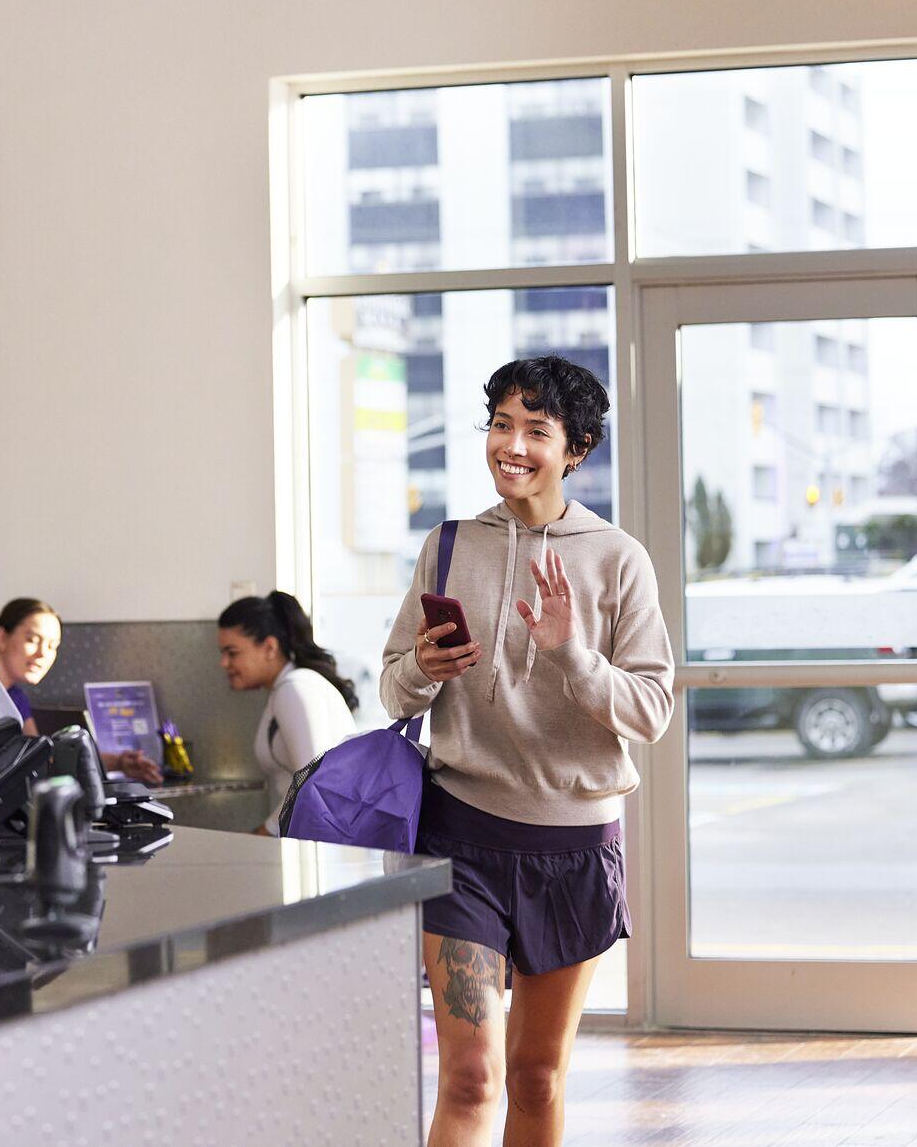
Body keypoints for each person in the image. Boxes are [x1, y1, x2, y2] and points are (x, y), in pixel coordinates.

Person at [379, 355, 673, 1147]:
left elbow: (651, 711)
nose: (511, 445)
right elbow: (393, 691)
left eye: (535, 430)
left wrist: (574, 655)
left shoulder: (617, 558)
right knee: (470, 1075)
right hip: (459, 840)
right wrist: (423, 668)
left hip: (573, 850)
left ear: (576, 448)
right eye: (501, 424)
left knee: (537, 1075)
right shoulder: (448, 546)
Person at [217, 590, 359, 836]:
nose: (224, 663)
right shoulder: (288, 688)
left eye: (233, 653)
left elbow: (312, 780)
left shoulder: (294, 689)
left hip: (321, 840)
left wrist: (266, 831)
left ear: (269, 647)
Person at [0, 597, 160, 783]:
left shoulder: (15, 698)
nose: (43, 654)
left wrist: (118, 762)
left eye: (52, 646)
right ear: (1, 637)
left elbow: (42, 759)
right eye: (33, 640)